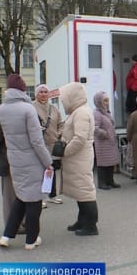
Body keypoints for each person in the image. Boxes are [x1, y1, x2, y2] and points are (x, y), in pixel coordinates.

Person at [0, 74, 53, 250]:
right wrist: (48, 162)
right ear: (22, 89)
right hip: (32, 161)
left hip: (14, 160)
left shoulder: (1, 109)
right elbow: (37, 141)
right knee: (34, 200)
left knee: (21, 197)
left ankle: (6, 236)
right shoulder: (28, 109)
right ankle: (31, 240)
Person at [59, 81, 99, 236]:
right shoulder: (78, 111)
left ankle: (91, 225)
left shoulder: (81, 112)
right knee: (80, 191)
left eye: (64, 99)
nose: (63, 103)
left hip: (79, 157)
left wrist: (65, 152)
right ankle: (82, 220)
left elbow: (79, 139)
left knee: (85, 190)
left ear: (72, 97)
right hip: (78, 157)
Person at [0, 118, 25, 234]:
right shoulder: (29, 113)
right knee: (21, 193)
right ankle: (19, 222)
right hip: (23, 162)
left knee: (10, 195)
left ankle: (13, 224)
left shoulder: (2, 117)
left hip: (6, 161)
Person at [33, 84, 64, 207]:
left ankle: (52, 195)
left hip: (53, 144)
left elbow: (61, 124)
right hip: (39, 145)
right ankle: (40, 198)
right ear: (36, 94)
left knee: (53, 170)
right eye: (41, 92)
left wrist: (59, 134)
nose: (44, 94)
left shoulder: (54, 108)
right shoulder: (31, 107)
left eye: (46, 92)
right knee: (40, 171)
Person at [93, 91, 121, 190]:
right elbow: (95, 128)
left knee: (111, 162)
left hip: (110, 142)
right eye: (105, 100)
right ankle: (102, 183)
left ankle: (110, 180)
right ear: (99, 101)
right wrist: (105, 134)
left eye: (107, 100)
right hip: (102, 142)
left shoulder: (106, 111)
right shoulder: (97, 113)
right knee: (103, 164)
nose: (107, 102)